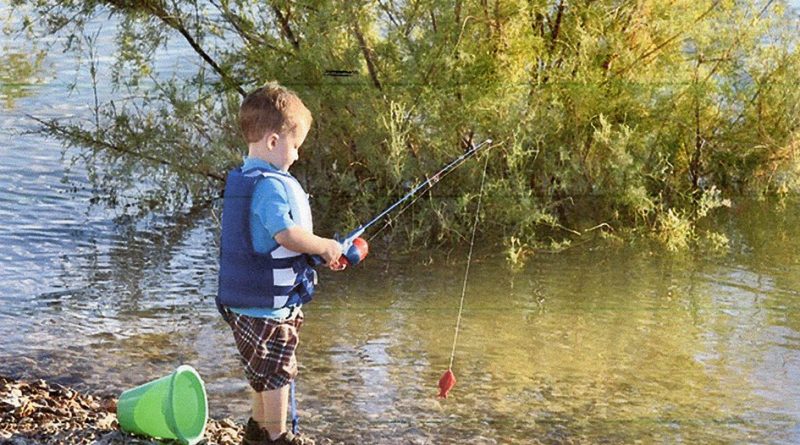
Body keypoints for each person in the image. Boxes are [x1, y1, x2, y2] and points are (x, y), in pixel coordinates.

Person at [216, 83, 342, 445]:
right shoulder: (270, 186)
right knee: (277, 374)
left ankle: (257, 431)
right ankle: (276, 435)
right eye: (296, 145)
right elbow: (285, 234)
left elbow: (270, 241)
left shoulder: (245, 180)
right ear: (273, 142)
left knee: (261, 371)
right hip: (266, 310)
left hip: (245, 304)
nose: (298, 156)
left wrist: (319, 254)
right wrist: (325, 245)